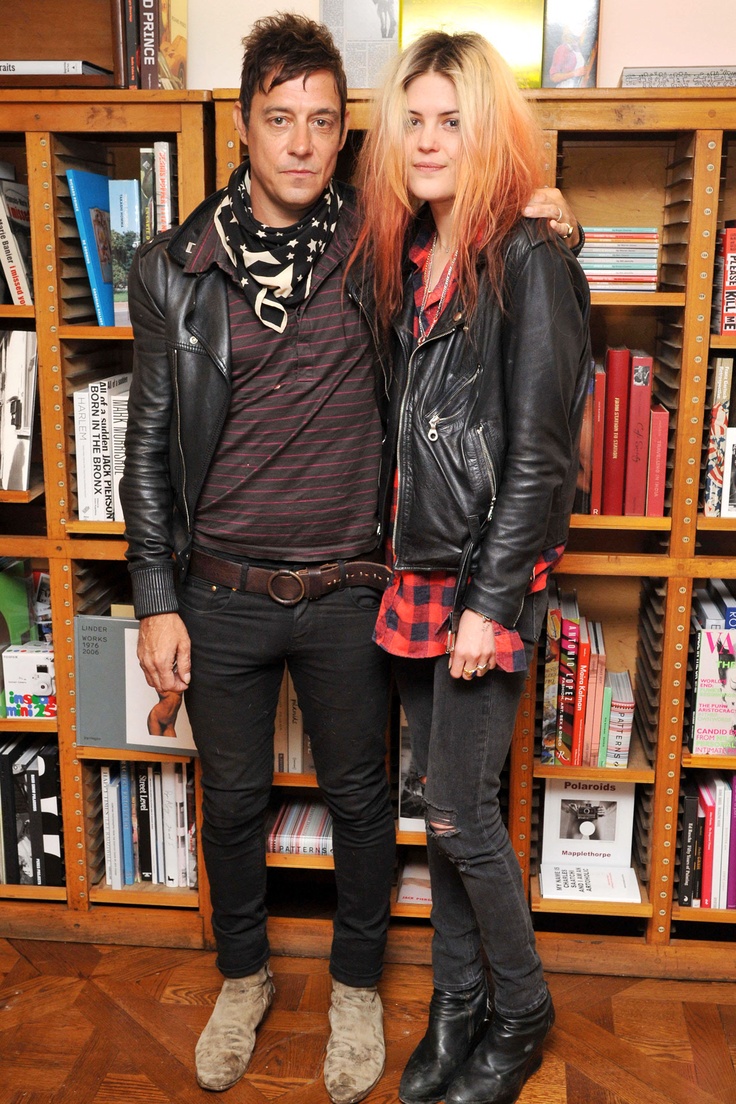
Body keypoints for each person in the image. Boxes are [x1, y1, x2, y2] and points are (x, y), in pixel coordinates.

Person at [120, 12, 582, 1100]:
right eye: (278, 120)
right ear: (241, 126)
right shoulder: (172, 269)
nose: (299, 143)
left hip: (352, 588)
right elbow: (146, 448)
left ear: (343, 138)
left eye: (324, 122)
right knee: (231, 804)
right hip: (219, 589)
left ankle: (363, 991)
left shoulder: (377, 238)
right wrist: (152, 598)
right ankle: (244, 978)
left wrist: (541, 210)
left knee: (369, 802)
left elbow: (484, 227)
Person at [348, 29, 591, 1104]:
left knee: (458, 815)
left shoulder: (528, 257)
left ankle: (521, 1009)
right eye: (415, 119)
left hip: (483, 586)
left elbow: (539, 451)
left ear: (487, 129)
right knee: (437, 809)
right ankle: (455, 1005)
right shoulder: (411, 254)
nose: (430, 139)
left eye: (453, 119)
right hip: (417, 571)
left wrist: (492, 606)